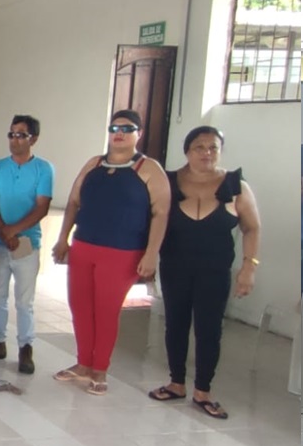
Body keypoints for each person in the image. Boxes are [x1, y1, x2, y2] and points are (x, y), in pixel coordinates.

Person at [52, 110, 169, 396]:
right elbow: (74, 202)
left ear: (139, 134)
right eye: (114, 128)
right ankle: (83, 363)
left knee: (106, 310)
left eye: (127, 129)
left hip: (122, 252)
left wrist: (151, 253)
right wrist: (63, 238)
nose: (119, 134)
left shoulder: (148, 168)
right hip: (84, 245)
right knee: (80, 306)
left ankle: (100, 369)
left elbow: (161, 213)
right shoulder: (94, 164)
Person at [150, 126, 260, 419]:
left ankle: (203, 391)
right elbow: (152, 221)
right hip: (175, 267)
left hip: (215, 271)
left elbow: (252, 228)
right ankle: (176, 383)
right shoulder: (168, 182)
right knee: (175, 324)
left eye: (213, 147)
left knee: (209, 330)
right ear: (187, 150)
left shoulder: (235, 186)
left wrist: (249, 267)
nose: (207, 153)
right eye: (200, 147)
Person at [0, 115, 54, 374]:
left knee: (24, 300)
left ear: (34, 139)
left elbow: (42, 207)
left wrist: (14, 231)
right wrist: (3, 230)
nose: (14, 139)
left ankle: (25, 347)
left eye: (21, 134)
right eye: (11, 134)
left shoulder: (44, 169)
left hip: (26, 243)